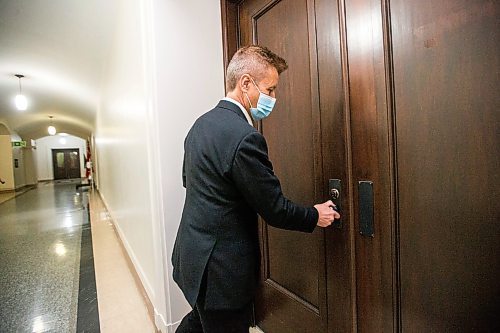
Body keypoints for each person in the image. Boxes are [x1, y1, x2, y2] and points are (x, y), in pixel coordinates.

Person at [172, 45, 340, 333]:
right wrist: (314, 215)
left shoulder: (199, 125)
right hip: (220, 274)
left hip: (191, 257)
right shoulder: (245, 138)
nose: (274, 98)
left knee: (198, 322)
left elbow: (190, 182)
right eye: (270, 89)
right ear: (245, 83)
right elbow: (274, 209)